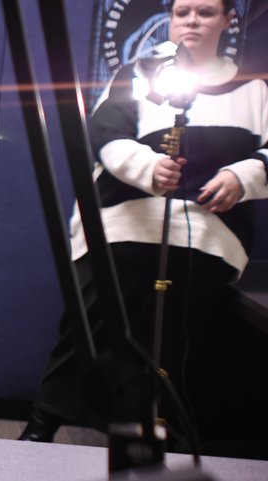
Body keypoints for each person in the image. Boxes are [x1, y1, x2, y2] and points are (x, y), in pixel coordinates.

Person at [19, 0, 268, 442]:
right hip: (125, 222)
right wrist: (148, 167)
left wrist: (242, 176)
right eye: (182, 12)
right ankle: (45, 421)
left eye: (205, 12)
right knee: (95, 315)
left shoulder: (255, 90)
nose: (192, 21)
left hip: (207, 234)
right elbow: (105, 136)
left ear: (228, 21)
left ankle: (147, 431)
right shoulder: (140, 72)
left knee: (173, 334)